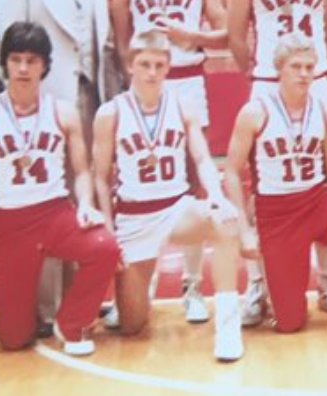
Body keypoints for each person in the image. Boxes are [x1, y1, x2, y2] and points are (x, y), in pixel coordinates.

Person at [0, 22, 119, 355]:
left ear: (45, 65)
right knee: (13, 339)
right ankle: (22, 318)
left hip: (54, 214)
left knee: (105, 247)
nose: (22, 68)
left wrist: (85, 204)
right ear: (4, 63)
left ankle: (71, 324)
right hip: (8, 223)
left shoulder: (63, 112)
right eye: (15, 59)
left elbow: (82, 171)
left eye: (31, 61)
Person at [0, 0, 117, 333]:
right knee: (45, 201)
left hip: (89, 101)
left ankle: (78, 300)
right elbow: (9, 49)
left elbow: (102, 50)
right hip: (40, 106)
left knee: (81, 199)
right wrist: (19, 110)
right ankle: (44, 307)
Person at [226, 0, 327, 324]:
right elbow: (236, 36)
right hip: (266, 81)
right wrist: (260, 73)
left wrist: (314, 71)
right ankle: (258, 284)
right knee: (264, 184)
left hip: (316, 78)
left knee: (325, 179)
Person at [223, 34, 327, 333]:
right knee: (289, 323)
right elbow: (231, 173)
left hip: (317, 202)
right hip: (277, 213)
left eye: (309, 67)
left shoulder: (323, 110)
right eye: (296, 67)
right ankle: (266, 295)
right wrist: (244, 229)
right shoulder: (255, 112)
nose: (304, 74)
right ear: (279, 69)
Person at [92, 31, 245, 361]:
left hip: (176, 210)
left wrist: (216, 194)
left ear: (168, 67)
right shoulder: (110, 113)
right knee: (132, 326)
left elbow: (202, 157)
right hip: (133, 218)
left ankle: (228, 328)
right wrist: (107, 228)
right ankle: (140, 285)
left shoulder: (182, 105)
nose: (152, 72)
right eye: (144, 64)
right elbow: (101, 179)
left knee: (225, 221)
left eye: (159, 65)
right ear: (130, 65)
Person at [111, 0, 229, 324]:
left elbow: (226, 33)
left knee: (194, 187)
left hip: (188, 82)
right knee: (138, 182)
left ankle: (192, 287)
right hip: (144, 86)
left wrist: (188, 35)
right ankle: (138, 280)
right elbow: (121, 45)